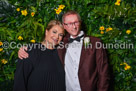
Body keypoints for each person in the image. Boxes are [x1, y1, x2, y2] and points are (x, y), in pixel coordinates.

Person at [18, 10, 110, 91]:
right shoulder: (62, 44)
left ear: (80, 23)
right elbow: (44, 47)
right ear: (65, 26)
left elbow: (104, 74)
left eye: (76, 22)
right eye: (69, 23)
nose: (73, 26)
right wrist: (25, 49)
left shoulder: (96, 43)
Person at [14, 20, 66, 91]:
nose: (57, 37)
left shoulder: (61, 53)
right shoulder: (31, 51)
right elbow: (19, 82)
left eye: (60, 35)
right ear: (46, 32)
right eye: (54, 32)